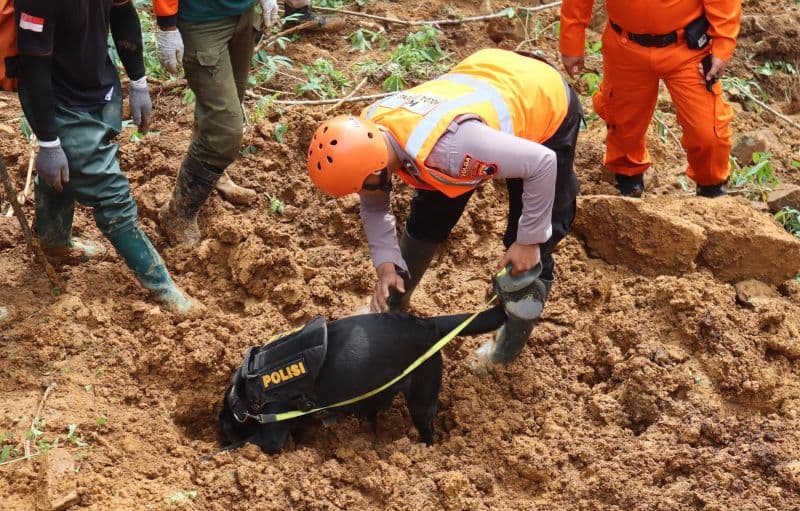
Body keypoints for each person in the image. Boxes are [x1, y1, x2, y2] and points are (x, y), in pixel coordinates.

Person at [307, 48, 582, 362]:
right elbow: (374, 206)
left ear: (377, 167)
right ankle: (392, 307)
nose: (365, 194)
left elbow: (542, 164)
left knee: (534, 242)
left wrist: (528, 240)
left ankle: (504, 352)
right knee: (430, 213)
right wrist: (386, 265)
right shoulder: (369, 131)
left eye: (364, 186)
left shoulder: (451, 150)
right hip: (489, 80)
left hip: (543, 100)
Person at [12, 0, 195, 313]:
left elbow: (123, 12)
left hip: (98, 81)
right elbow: (32, 67)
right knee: (113, 195)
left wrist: (138, 81)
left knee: (69, 170)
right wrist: (49, 141)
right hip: (58, 101)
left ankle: (54, 242)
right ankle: (162, 288)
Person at [153, 0, 339, 246]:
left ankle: (213, 175)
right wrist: (166, 26)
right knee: (226, 127)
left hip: (244, 14)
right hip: (202, 20)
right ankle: (178, 212)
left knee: (225, 106)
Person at [560, 0, 741, 198]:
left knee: (707, 133)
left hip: (687, 49)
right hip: (625, 46)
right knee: (622, 125)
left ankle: (711, 190)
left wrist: (723, 45)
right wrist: (571, 41)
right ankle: (628, 186)